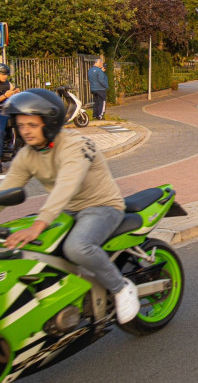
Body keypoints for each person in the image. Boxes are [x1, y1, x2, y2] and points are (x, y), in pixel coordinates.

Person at [0, 89, 140, 323]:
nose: (25, 130)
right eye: (21, 124)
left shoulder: (77, 144)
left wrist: (39, 223)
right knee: (33, 251)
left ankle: (121, 288)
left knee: (77, 247)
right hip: (65, 211)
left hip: (102, 206)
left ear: (49, 122)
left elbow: (67, 184)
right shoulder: (26, 155)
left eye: (32, 125)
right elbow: (5, 192)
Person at [0, 64, 21, 168]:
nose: (5, 76)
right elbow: (6, 96)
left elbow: (12, 92)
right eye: (2, 74)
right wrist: (5, 96)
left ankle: (20, 152)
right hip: (0, 112)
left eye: (6, 74)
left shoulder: (8, 84)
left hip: (9, 111)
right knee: (0, 131)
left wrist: (15, 93)